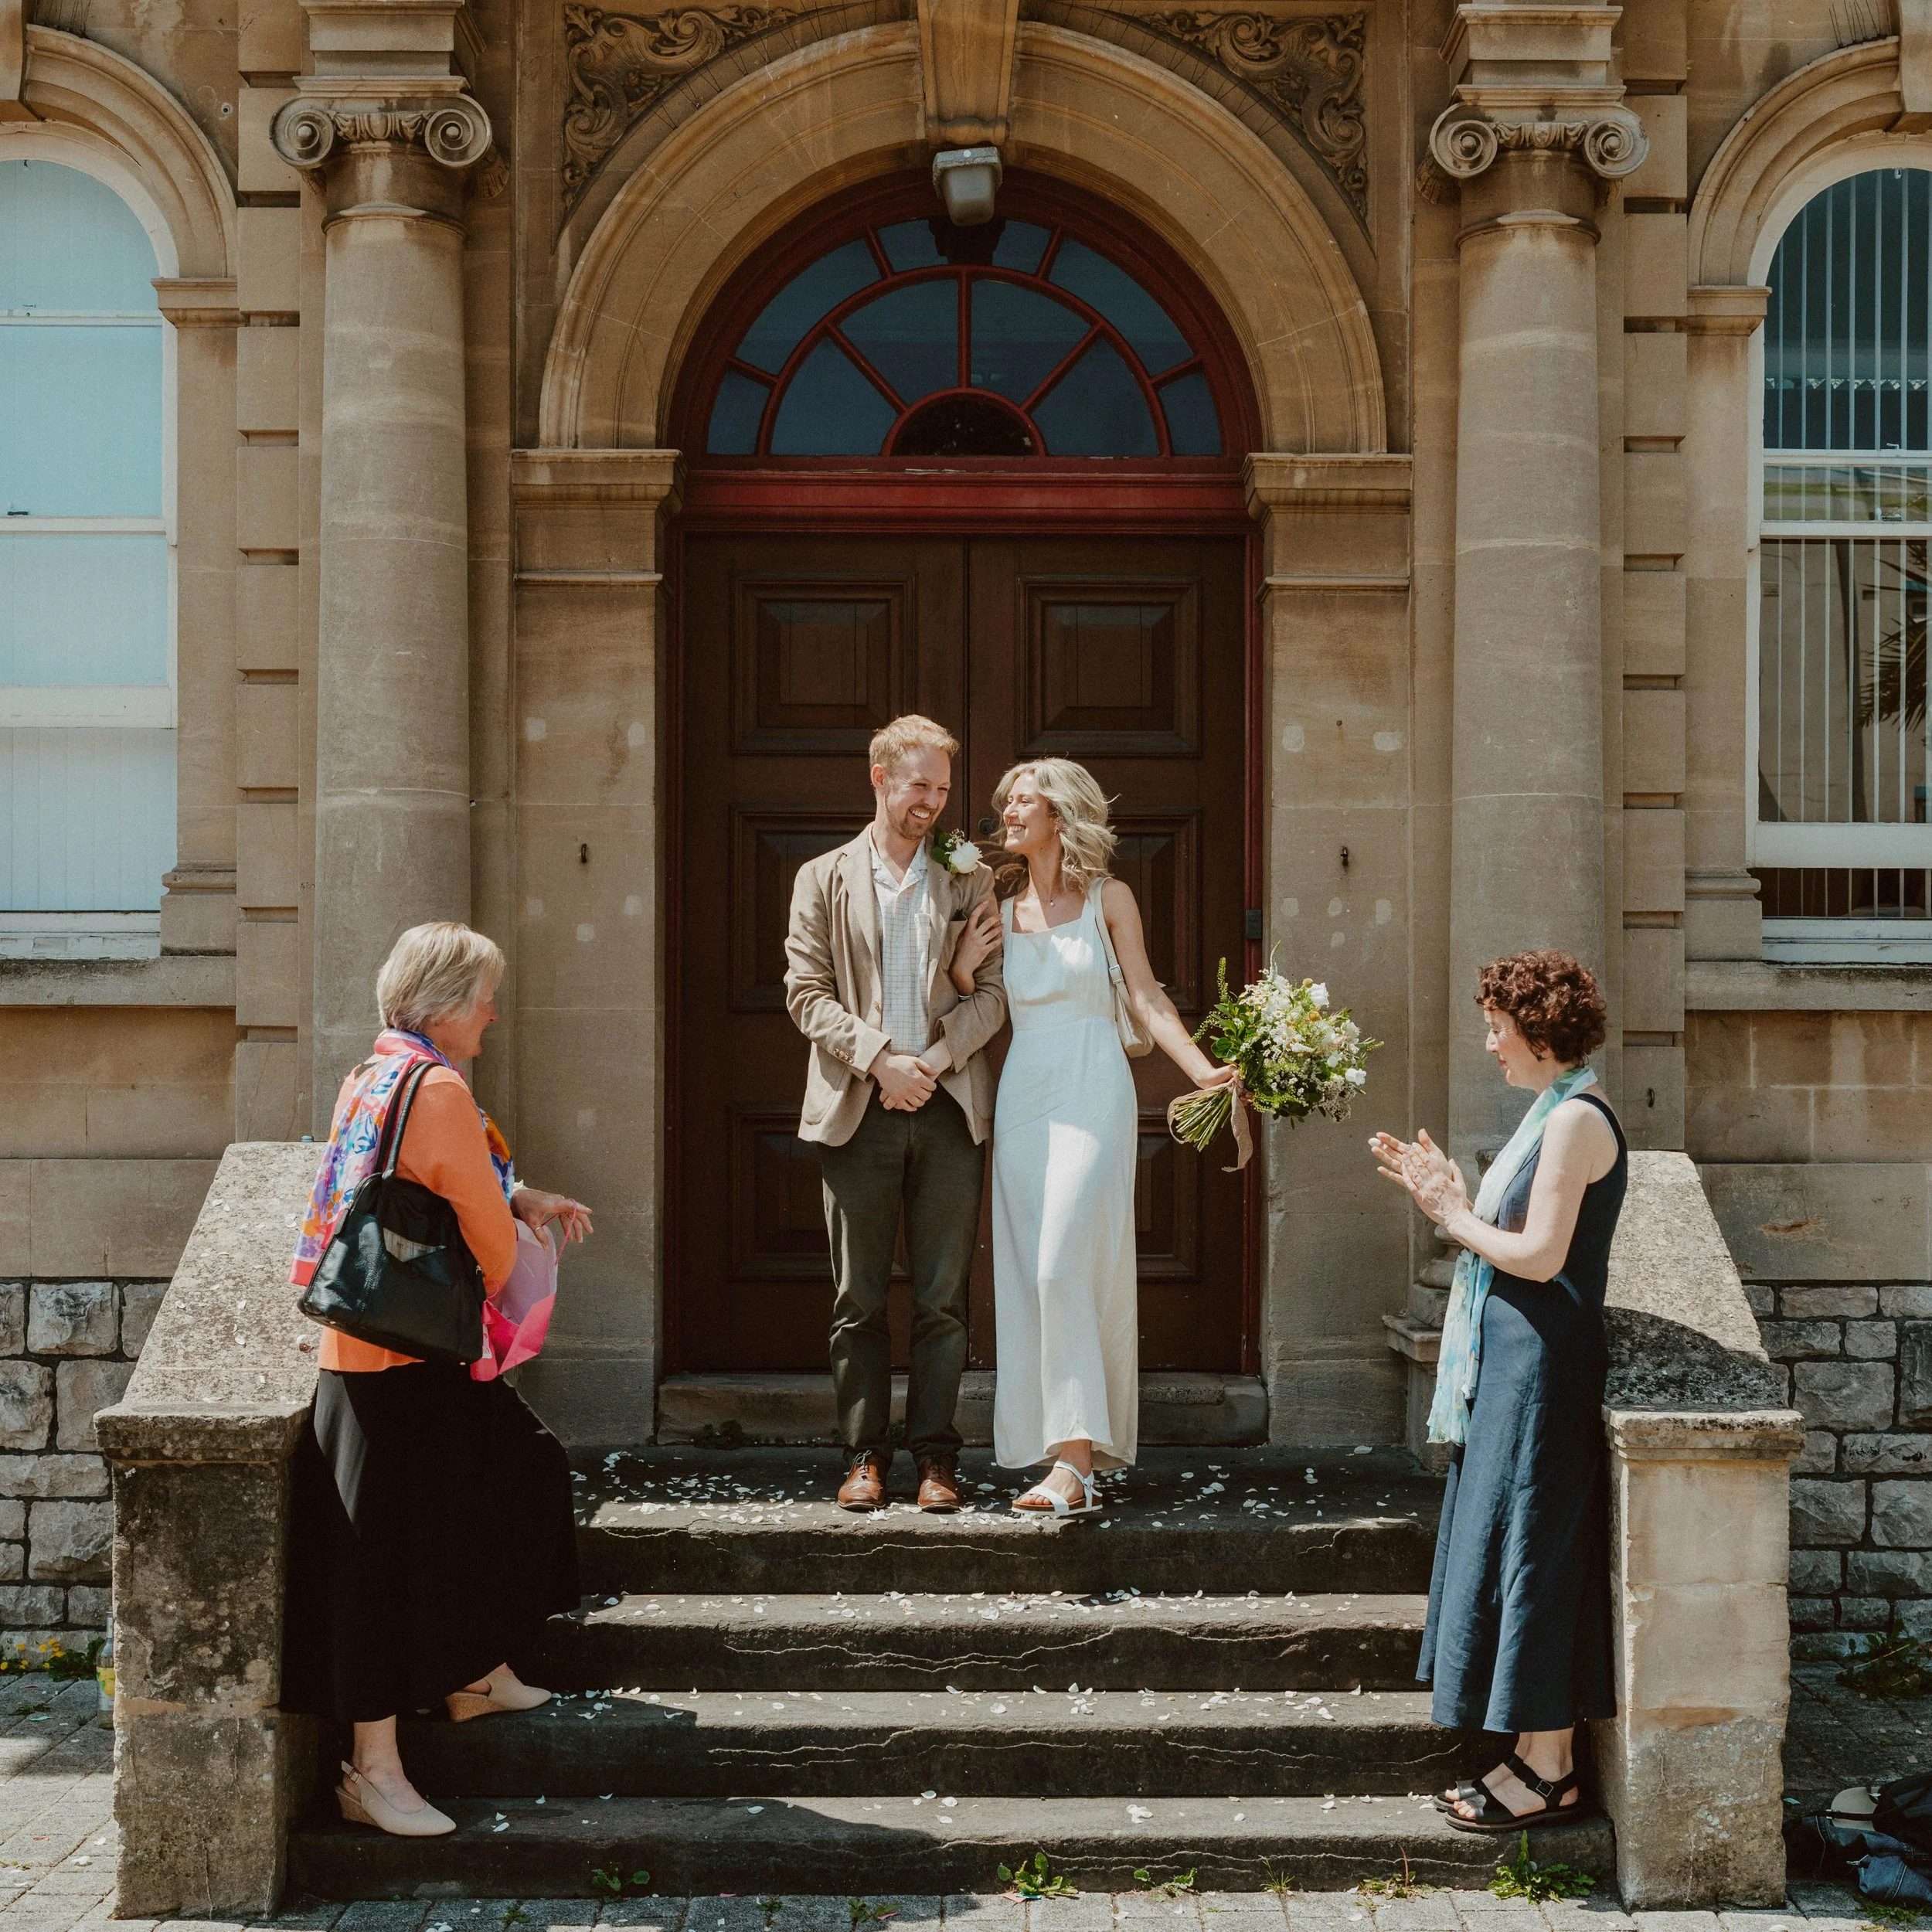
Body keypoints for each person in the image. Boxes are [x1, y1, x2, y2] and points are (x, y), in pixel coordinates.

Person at [286, 922, 591, 1838]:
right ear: (450, 1003)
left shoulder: (372, 1075)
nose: (494, 1013)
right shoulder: (443, 1089)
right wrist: (510, 1262)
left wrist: (517, 1193)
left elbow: (425, 1181)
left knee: (503, 1479)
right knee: (378, 1562)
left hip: (366, 1349)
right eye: (486, 996)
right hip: (411, 1357)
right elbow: (487, 1240)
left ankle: (471, 1671)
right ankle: (372, 1771)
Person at [1368, 948, 1624, 1832]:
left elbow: (1540, 1256)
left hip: (1545, 1372)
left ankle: (1550, 1769)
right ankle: (1527, 1749)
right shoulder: (1551, 1116)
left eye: (1496, 1027)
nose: (1488, 1045)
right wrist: (1451, 1197)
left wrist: (1452, 1215)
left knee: (1534, 1556)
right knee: (1515, 1542)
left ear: (1539, 1031)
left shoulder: (1576, 1122)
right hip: (1516, 1368)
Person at [946, 758, 1235, 1515]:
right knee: (1029, 1275)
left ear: (1059, 814)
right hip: (1023, 1099)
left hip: (1093, 1089)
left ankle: (1074, 1463)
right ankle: (1062, 1456)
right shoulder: (999, 902)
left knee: (1061, 1267)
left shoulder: (1112, 898)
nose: (1006, 812)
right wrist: (963, 966)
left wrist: (1201, 1070)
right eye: (1005, 801)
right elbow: (971, 998)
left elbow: (1145, 995)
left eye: (1021, 801)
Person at [783, 716, 1007, 1512]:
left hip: (947, 1108)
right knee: (860, 1298)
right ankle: (864, 1455)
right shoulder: (823, 877)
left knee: (945, 1297)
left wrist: (932, 1064)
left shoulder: (968, 878)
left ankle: (937, 1458)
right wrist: (881, 1060)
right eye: (919, 785)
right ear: (878, 777)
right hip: (858, 1107)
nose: (933, 802)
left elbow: (993, 993)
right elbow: (805, 994)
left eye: (943, 789)